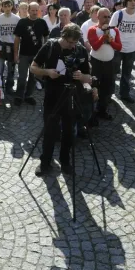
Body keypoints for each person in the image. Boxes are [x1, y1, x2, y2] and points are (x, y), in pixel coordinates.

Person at [29, 24, 92, 176]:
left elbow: (88, 76)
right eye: (69, 42)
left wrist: (83, 78)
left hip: (72, 95)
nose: (72, 46)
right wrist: (47, 72)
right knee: (50, 131)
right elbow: (33, 67)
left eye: (74, 43)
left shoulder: (80, 49)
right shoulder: (50, 46)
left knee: (69, 132)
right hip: (53, 94)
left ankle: (65, 162)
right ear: (63, 36)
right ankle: (45, 163)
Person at [87, 8, 121, 120]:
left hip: (109, 63)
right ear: (98, 17)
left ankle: (102, 110)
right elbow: (95, 47)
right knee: (94, 86)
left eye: (108, 16)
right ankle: (90, 112)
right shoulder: (93, 29)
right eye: (104, 16)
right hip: (96, 62)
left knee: (106, 88)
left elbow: (119, 47)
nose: (107, 19)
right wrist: (104, 36)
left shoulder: (115, 30)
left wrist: (111, 41)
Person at [13, 2, 49, 106]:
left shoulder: (42, 22)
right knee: (22, 77)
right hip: (24, 54)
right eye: (32, 10)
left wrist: (45, 52)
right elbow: (17, 39)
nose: (34, 12)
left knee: (33, 77)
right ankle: (19, 96)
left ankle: (28, 95)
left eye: (36, 10)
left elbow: (46, 37)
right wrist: (16, 54)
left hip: (37, 55)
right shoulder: (22, 22)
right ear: (28, 10)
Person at [109, 0, 135, 103]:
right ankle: (109, 94)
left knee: (127, 74)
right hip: (117, 49)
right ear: (126, 2)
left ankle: (124, 94)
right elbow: (111, 29)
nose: (133, 2)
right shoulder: (118, 14)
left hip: (131, 48)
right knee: (113, 72)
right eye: (131, 0)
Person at [0, 0, 19, 93]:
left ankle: (9, 87)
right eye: (5, 6)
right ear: (2, 7)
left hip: (12, 46)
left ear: (12, 6)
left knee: (11, 69)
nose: (7, 8)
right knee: (0, 68)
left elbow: (18, 36)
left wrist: (17, 51)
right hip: (2, 45)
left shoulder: (17, 19)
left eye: (9, 6)